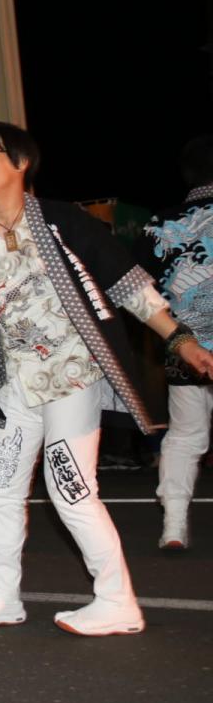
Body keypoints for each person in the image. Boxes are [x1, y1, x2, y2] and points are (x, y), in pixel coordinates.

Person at [0, 122, 213, 636]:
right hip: (11, 384)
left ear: (21, 163)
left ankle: (117, 601)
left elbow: (129, 287)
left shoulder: (63, 222)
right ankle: (3, 597)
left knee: (71, 491)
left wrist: (180, 339)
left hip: (73, 375)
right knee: (2, 492)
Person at [138, 135, 213, 550]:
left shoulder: (159, 224)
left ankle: (173, 525)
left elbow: (138, 289)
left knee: (185, 435)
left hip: (183, 343)